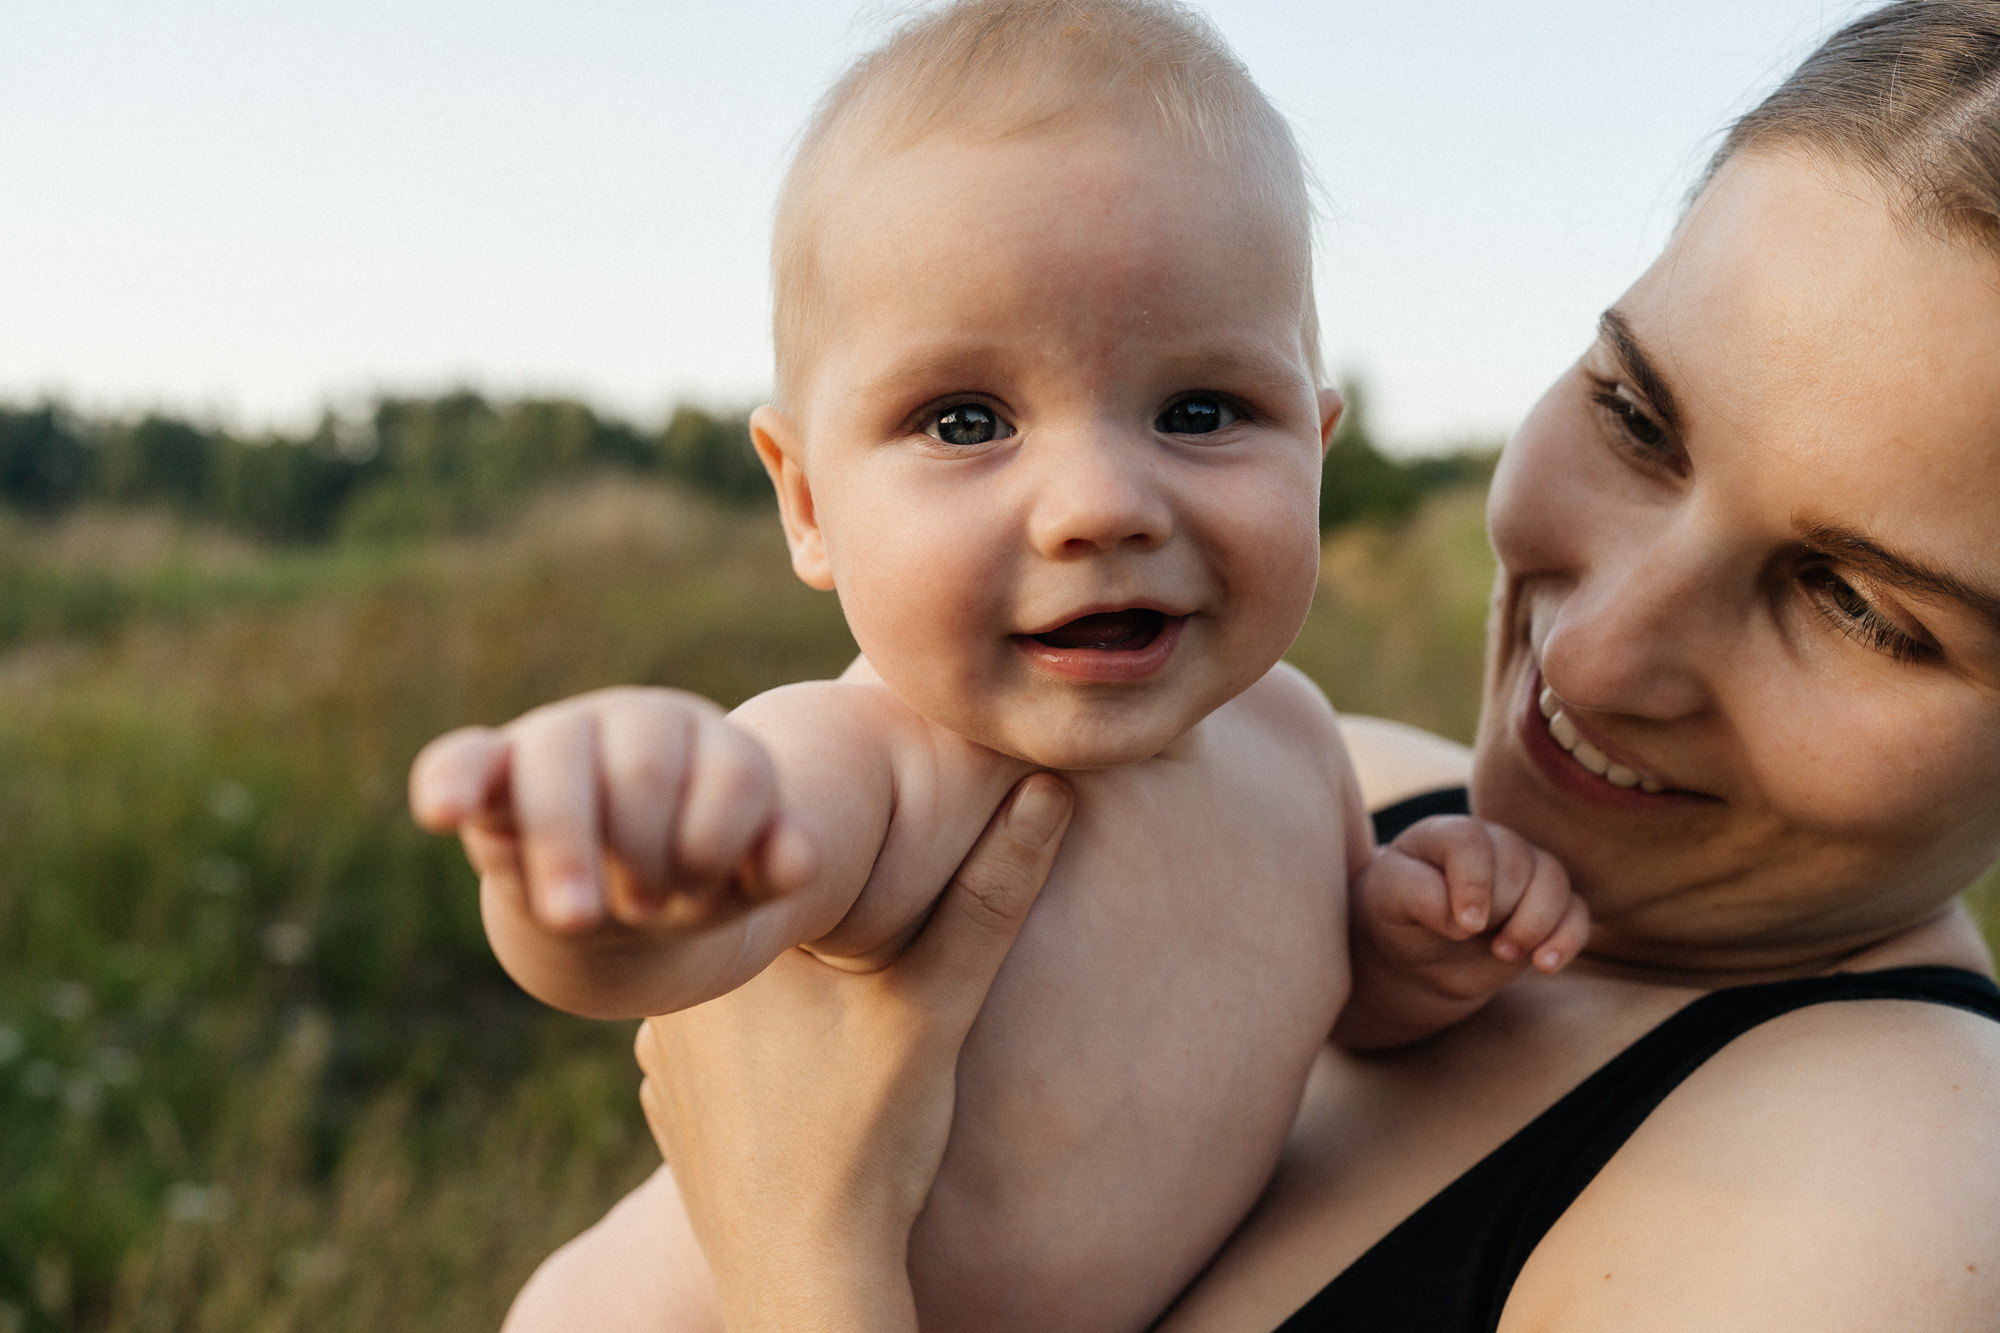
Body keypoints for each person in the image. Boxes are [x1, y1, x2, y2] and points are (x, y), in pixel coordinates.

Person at [628, 2, 2000, 1328]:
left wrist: (802, 1257)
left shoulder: (1887, 1217)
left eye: (1861, 608)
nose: (1592, 652)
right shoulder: (1334, 801)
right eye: (1636, 417)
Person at [408, 3, 1586, 1330]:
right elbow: (672, 947)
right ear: (806, 500)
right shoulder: (882, 767)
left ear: (1314, 443)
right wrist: (619, 865)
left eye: (1201, 411)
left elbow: (1292, 1010)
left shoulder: (1294, 741)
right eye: (965, 421)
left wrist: (1403, 954)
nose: (1097, 504)